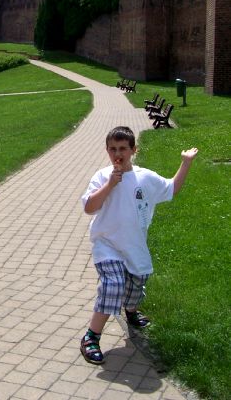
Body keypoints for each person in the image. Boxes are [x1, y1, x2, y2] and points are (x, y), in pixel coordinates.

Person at [80, 125, 198, 365]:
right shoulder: (102, 177)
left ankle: (131, 312)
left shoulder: (145, 177)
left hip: (134, 246)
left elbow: (172, 188)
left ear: (134, 150)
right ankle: (91, 336)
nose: (117, 154)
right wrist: (110, 185)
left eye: (123, 148)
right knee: (113, 285)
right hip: (107, 244)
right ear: (107, 151)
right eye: (113, 149)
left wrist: (186, 163)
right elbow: (89, 207)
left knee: (135, 287)